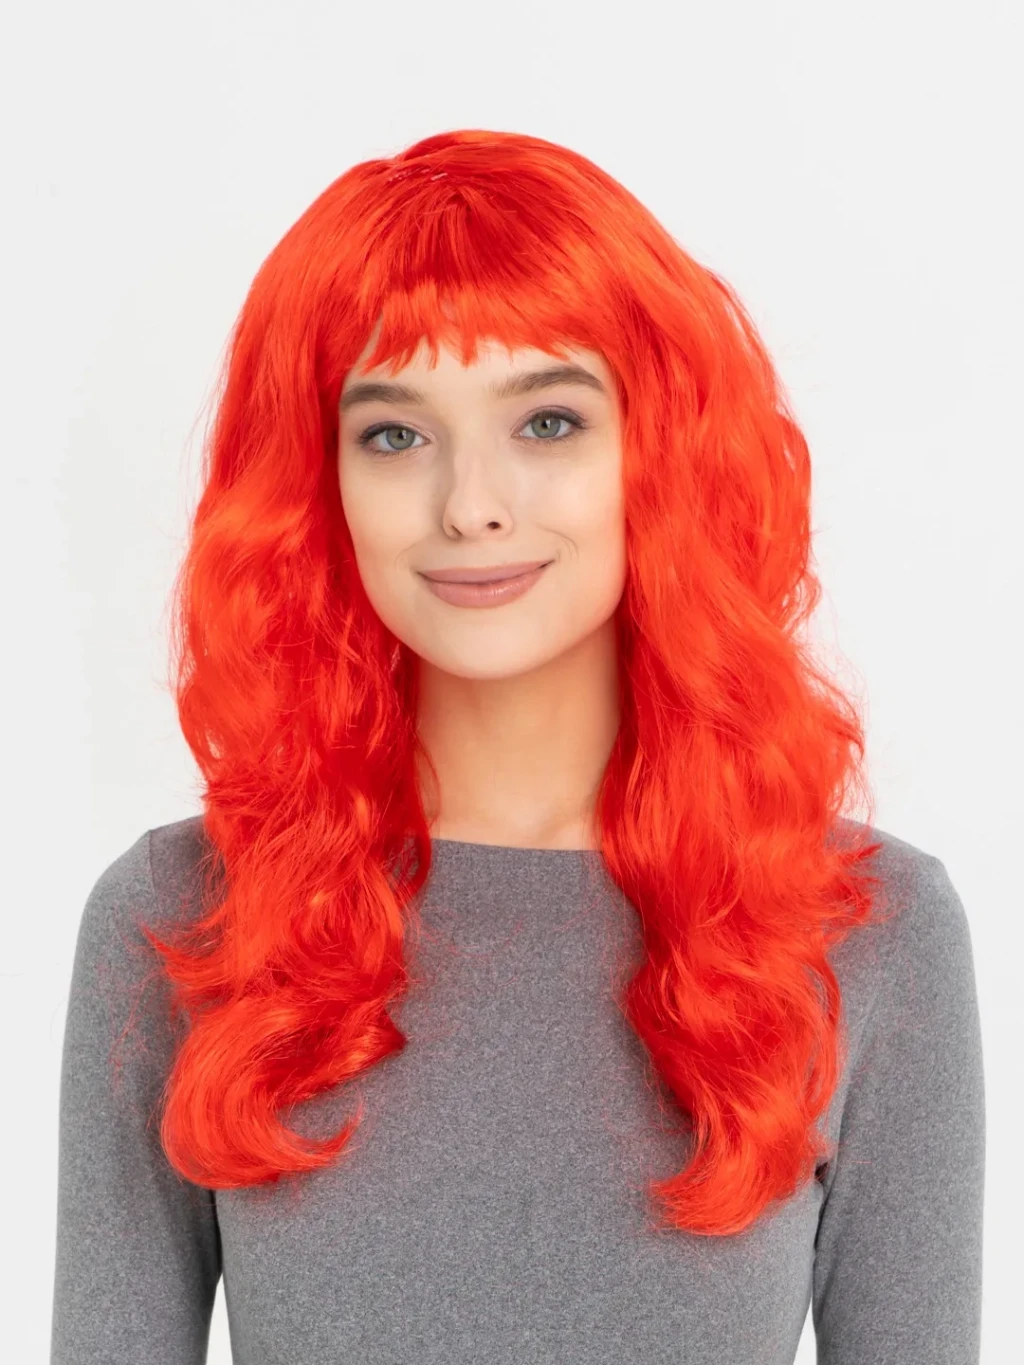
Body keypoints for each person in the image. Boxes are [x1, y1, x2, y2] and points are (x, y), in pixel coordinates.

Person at [50, 128, 985, 1364]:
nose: (471, 505)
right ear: (316, 486)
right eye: (395, 435)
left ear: (658, 450)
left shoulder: (868, 928)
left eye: (547, 421)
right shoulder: (180, 918)